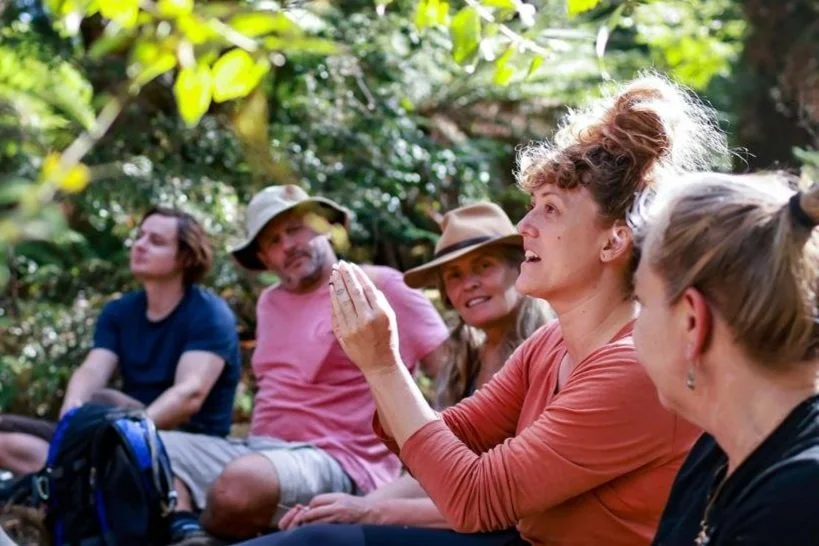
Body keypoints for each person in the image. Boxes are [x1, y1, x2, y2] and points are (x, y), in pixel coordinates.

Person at [261, 75, 727, 546]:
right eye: (532, 206)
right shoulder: (548, 344)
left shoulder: (633, 366)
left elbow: (475, 499)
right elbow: (446, 439)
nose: (524, 226)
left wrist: (382, 363)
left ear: (613, 241)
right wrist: (372, 358)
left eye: (550, 209)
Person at [162, 185, 450, 545]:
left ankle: (196, 530)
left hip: (341, 460)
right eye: (273, 241)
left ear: (324, 226)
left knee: (240, 485)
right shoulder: (269, 303)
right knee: (140, 445)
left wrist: (434, 460)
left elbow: (452, 373)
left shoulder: (377, 285)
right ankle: (188, 528)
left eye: (295, 229)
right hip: (257, 449)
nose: (288, 246)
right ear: (264, 259)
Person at [275, 203, 551, 535]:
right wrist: (346, 507)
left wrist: (371, 511)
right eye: (455, 275)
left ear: (519, 269)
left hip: (507, 529)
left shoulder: (547, 356)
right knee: (315, 531)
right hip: (457, 516)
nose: (469, 283)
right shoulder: (462, 363)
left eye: (484, 266)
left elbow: (506, 499)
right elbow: (434, 467)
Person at [631, 172, 819, 546]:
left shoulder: (799, 504)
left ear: (691, 321)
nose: (634, 327)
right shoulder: (716, 452)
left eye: (642, 302)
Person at [0, 207, 241, 475]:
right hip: (117, 428)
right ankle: (66, 475)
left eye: (156, 241)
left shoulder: (209, 313)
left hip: (184, 441)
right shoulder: (120, 311)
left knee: (105, 401)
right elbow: (93, 369)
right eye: (140, 236)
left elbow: (189, 394)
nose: (140, 245)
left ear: (185, 257)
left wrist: (130, 435)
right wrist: (72, 413)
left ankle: (74, 472)